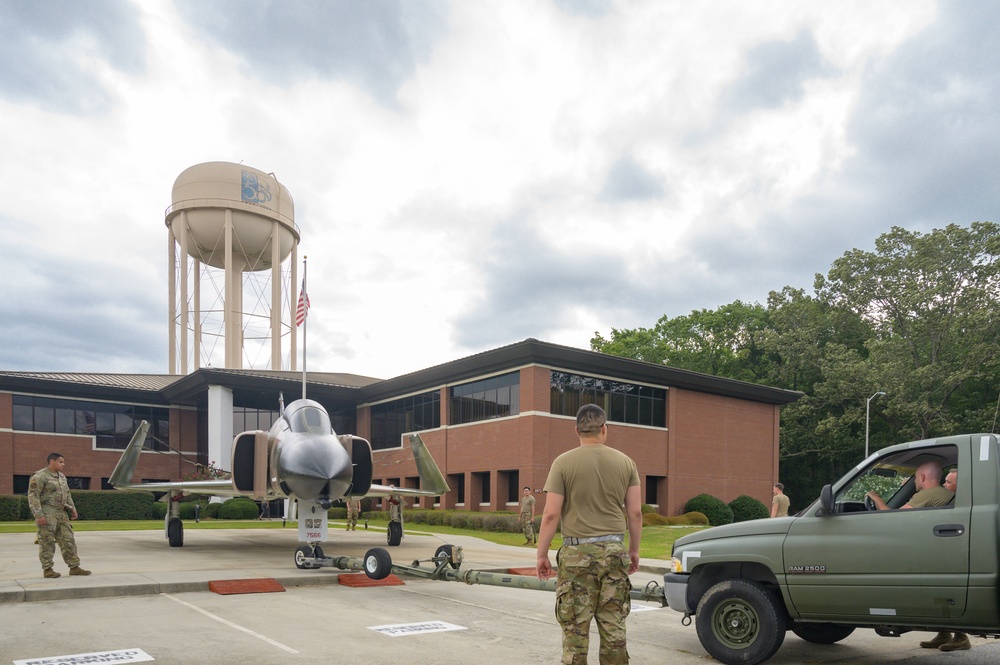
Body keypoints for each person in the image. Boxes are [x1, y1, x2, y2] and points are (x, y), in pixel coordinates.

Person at [536, 404, 642, 665]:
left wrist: (542, 554)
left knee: (575, 629)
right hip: (615, 552)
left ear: (577, 430)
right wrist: (634, 551)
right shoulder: (626, 462)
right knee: (613, 626)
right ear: (605, 429)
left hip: (577, 555)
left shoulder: (562, 463)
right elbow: (635, 513)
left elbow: (550, 515)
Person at [918, 468, 970, 651]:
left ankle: (961, 637)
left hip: (954, 552)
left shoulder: (961, 501)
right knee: (939, 591)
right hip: (942, 551)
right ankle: (944, 633)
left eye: (949, 482)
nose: (945, 485)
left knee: (950, 593)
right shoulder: (947, 499)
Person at [28, 452, 91, 578]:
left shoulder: (62, 477)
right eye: (61, 462)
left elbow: (67, 494)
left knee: (68, 539)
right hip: (47, 513)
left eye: (63, 462)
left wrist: (72, 508)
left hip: (61, 513)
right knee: (47, 541)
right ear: (52, 461)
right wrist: (39, 515)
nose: (63, 464)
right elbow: (33, 496)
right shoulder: (40, 476)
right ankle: (48, 569)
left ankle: (74, 567)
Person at [865, 460, 953, 510]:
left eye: (916, 477)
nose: (914, 481)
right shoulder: (947, 493)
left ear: (922, 478)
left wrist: (875, 497)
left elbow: (894, 518)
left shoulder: (927, 494)